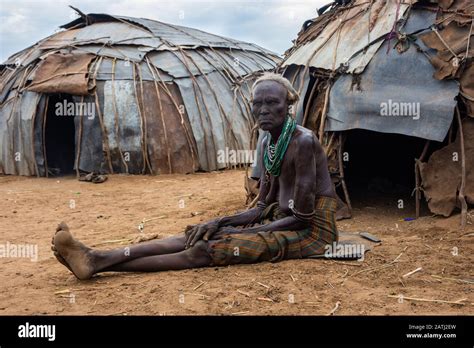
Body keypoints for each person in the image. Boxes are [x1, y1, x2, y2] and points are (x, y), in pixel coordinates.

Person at [51, 73, 338, 280]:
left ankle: (99, 262)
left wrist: (240, 232)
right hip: (278, 218)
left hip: (311, 231)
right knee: (196, 235)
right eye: (257, 104)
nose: (263, 110)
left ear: (288, 105)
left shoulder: (303, 141)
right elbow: (262, 206)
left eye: (272, 103)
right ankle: (95, 257)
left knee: (207, 249)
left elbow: (303, 217)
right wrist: (218, 221)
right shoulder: (266, 141)